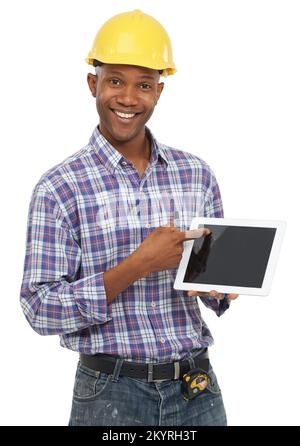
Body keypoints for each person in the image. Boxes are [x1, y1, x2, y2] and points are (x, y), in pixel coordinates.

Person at [19, 9, 238, 426]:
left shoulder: (196, 175)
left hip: (196, 387)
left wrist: (219, 288)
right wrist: (138, 265)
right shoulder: (59, 188)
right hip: (110, 394)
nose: (128, 98)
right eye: (115, 80)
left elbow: (211, 287)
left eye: (143, 85)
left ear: (159, 91)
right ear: (93, 84)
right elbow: (39, 308)